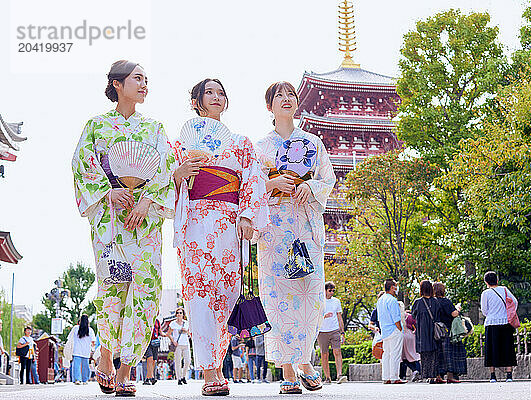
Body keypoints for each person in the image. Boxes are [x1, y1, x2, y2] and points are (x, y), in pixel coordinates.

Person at [72, 60, 176, 396]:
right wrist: (107, 190)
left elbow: (167, 167)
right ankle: (105, 357)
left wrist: (147, 201)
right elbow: (81, 164)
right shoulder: (96, 125)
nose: (144, 84)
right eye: (137, 79)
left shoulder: (156, 129)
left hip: (144, 222)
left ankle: (127, 368)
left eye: (147, 79)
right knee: (113, 289)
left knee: (146, 292)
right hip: (111, 221)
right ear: (117, 84)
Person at [171, 78, 270, 396]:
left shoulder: (240, 142)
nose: (216, 97)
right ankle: (210, 371)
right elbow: (167, 179)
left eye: (221, 92)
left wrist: (246, 216)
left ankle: (218, 360)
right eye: (208, 92)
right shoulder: (182, 142)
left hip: (230, 222)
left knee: (226, 296)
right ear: (197, 101)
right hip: (196, 222)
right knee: (199, 295)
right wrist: (178, 174)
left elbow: (254, 176)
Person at [256, 81, 335, 395]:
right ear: (269, 106)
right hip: (274, 229)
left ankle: (305, 359)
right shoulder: (259, 147)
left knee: (310, 296)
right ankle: (288, 369)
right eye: (279, 96)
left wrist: (309, 187)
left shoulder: (313, 142)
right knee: (277, 299)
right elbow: (250, 187)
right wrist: (274, 182)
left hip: (305, 224)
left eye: (291, 95)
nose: (286, 100)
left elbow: (326, 179)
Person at [481, 271, 518, 383]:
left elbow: (484, 310)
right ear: (497, 280)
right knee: (507, 348)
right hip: (505, 322)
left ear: (486, 282)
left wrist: (492, 314)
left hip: (491, 323)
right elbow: (515, 302)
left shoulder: (485, 293)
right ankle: (509, 375)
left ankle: (493, 376)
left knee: (491, 349)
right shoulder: (504, 290)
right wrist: (509, 313)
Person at [412, 280, 445, 384]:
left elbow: (413, 316)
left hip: (422, 332)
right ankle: (433, 376)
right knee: (434, 353)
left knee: (424, 354)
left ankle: (426, 375)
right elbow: (439, 315)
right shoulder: (435, 302)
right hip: (433, 331)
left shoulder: (418, 302)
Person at [433, 282, 464, 383]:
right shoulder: (445, 301)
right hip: (446, 330)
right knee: (448, 353)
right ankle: (450, 376)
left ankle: (438, 376)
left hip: (435, 331)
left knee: (437, 353)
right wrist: (458, 309)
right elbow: (454, 314)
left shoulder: (432, 302)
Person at [376, 279, 405, 384]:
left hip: (385, 330)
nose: (397, 289)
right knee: (395, 354)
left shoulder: (380, 300)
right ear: (392, 287)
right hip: (394, 329)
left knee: (386, 354)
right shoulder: (392, 300)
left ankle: (386, 377)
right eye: (396, 286)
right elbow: (396, 318)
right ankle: (395, 377)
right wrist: (400, 329)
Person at [317, 282, 347, 384]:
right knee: (324, 354)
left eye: (333, 290)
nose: (332, 293)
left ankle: (339, 375)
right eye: (330, 290)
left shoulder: (336, 301)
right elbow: (315, 317)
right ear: (325, 290)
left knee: (337, 352)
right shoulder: (320, 301)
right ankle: (327, 377)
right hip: (322, 331)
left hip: (334, 330)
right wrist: (324, 316)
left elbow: (339, 316)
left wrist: (342, 332)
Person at [68, 315, 96, 384]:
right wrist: (93, 349)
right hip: (86, 351)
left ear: (80, 321)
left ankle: (77, 379)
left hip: (76, 350)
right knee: (85, 366)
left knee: (76, 366)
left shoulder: (75, 328)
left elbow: (69, 338)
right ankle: (85, 380)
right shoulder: (90, 330)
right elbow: (93, 341)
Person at [166, 307, 191, 385]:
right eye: (178, 313)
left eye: (181, 313)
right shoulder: (173, 323)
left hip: (186, 344)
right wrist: (173, 341)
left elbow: (190, 334)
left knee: (187, 361)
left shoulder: (186, 323)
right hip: (178, 345)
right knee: (178, 362)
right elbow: (168, 334)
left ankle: (183, 376)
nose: (179, 314)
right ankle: (179, 378)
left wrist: (186, 331)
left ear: (183, 314)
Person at [399, 311, 421, 382]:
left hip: (401, 335)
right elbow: (417, 324)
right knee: (414, 356)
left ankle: (402, 375)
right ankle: (418, 372)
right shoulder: (409, 316)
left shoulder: (397, 315)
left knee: (402, 357)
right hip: (410, 335)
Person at [143, 318, 162, 385]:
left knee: (154, 360)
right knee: (149, 358)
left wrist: (167, 335)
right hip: (147, 342)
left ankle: (148, 378)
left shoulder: (157, 321)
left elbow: (160, 331)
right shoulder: (147, 319)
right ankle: (151, 377)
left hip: (155, 342)